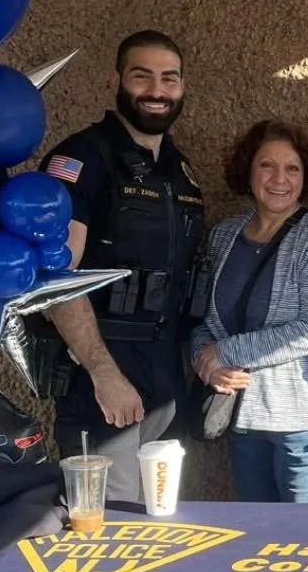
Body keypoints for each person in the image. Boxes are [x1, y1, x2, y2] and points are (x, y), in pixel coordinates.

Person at [42, 30, 206, 504]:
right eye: (142, 76)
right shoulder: (81, 159)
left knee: (161, 518)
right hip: (103, 367)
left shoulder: (181, 170)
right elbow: (58, 278)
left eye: (169, 79)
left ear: (182, 87)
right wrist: (104, 374)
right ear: (116, 80)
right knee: (107, 525)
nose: (157, 90)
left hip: (166, 371)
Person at [189, 120, 308, 503]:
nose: (279, 178)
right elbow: (203, 321)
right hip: (244, 417)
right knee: (258, 539)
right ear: (248, 170)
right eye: (267, 165)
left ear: (305, 177)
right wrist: (205, 361)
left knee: (304, 545)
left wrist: (226, 353)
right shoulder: (223, 235)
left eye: (292, 168)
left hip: (306, 421)